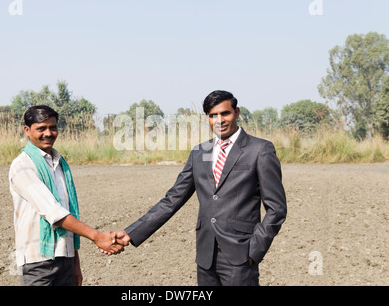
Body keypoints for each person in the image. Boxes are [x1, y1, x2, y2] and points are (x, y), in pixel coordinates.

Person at [114, 90, 287, 286]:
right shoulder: (199, 153)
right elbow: (172, 200)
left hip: (240, 256)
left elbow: (277, 208)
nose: (219, 120)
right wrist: (131, 232)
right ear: (207, 118)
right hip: (205, 258)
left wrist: (254, 250)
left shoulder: (260, 150)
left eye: (225, 113)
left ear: (237, 113)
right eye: (213, 115)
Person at [9, 105, 126, 286]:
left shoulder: (60, 164)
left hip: (66, 260)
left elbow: (68, 213)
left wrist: (75, 265)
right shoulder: (23, 166)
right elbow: (54, 213)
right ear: (27, 130)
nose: (48, 133)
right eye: (41, 128)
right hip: (38, 261)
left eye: (52, 127)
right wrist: (97, 236)